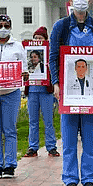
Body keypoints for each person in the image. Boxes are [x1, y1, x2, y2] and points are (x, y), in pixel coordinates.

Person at [49, 0, 93, 186]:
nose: (81, 0)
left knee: (91, 136)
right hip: (68, 90)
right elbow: (53, 56)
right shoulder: (61, 26)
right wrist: (55, 82)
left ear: (90, 1)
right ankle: (70, 179)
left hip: (92, 91)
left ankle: (90, 178)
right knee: (69, 137)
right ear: (71, 0)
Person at [0, 14, 28, 179]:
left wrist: (24, 74)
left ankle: (9, 165)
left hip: (11, 93)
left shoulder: (17, 46)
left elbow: (24, 68)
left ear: (10, 27)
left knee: (9, 129)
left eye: (6, 25)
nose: (3, 28)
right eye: (0, 25)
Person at [24, 26, 59, 159]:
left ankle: (51, 146)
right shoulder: (28, 60)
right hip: (32, 90)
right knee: (33, 121)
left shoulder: (49, 54)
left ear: (45, 40)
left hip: (46, 91)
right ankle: (33, 147)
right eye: (35, 38)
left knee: (48, 120)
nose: (37, 40)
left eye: (40, 38)